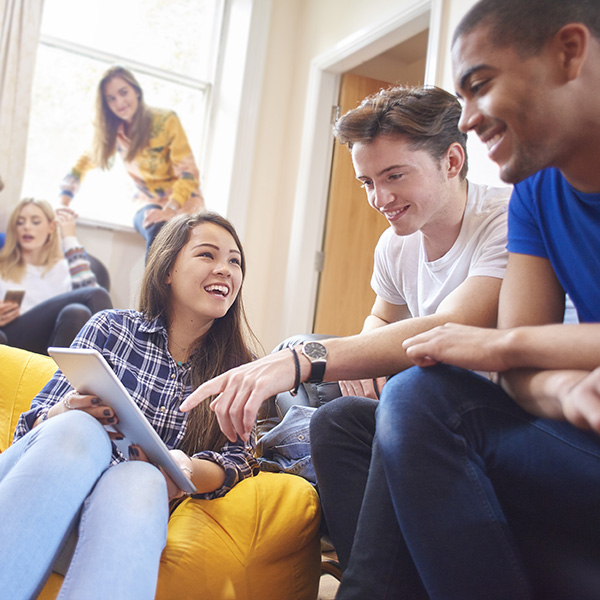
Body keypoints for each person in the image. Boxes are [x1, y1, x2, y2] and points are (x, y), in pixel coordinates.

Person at [327, 1, 600, 598]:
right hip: (571, 422)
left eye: (480, 87)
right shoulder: (533, 193)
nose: (469, 120)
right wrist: (557, 383)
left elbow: (496, 342)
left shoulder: (500, 212)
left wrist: (503, 344)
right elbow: (520, 372)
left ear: (570, 52)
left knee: (419, 395)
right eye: (368, 182)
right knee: (350, 416)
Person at [182, 85, 512, 565]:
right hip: (418, 381)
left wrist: (304, 363)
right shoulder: (395, 244)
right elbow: (383, 315)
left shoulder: (505, 219)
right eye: (367, 182)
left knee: (305, 365)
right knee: (309, 363)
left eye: (395, 175)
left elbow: (451, 324)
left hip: (480, 397)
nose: (380, 198)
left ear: (453, 161)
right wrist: (360, 355)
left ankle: (280, 459)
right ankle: (267, 462)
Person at [0, 211, 260, 600]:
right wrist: (67, 409)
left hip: (107, 519)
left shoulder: (239, 371)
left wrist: (183, 469)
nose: (225, 269)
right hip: (38, 486)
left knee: (144, 478)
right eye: (207, 255)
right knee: (78, 428)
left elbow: (240, 459)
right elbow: (30, 429)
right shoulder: (111, 328)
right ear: (167, 270)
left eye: (235, 261)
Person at [59, 65, 205, 254]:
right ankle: (152, 285)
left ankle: (159, 284)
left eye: (123, 92)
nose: (119, 102)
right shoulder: (114, 132)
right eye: (111, 99)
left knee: (174, 239)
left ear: (136, 91)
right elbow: (82, 165)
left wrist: (170, 209)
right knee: (155, 227)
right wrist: (63, 203)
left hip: (183, 203)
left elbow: (188, 173)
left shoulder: (165, 121)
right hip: (147, 202)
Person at [0, 198, 112, 355]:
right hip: (11, 338)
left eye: (35, 221)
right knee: (97, 294)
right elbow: (94, 294)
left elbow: (89, 290)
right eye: (20, 222)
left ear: (51, 227)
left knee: (77, 311)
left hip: (48, 344)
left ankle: (60, 377)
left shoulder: (63, 269)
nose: (26, 227)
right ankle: (115, 360)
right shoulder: (2, 265)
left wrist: (69, 237)